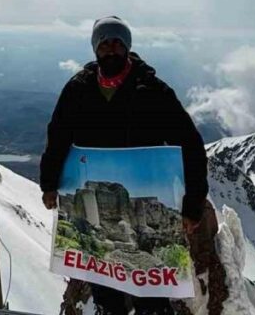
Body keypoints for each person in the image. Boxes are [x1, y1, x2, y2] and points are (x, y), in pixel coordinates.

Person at [40, 16, 209, 315]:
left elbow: (190, 144)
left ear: (127, 47)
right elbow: (58, 137)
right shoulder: (78, 89)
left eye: (117, 42)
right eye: (104, 43)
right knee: (105, 282)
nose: (110, 48)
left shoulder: (153, 91)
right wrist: (49, 183)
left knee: (151, 289)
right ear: (95, 48)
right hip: (99, 205)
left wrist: (193, 203)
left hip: (141, 202)